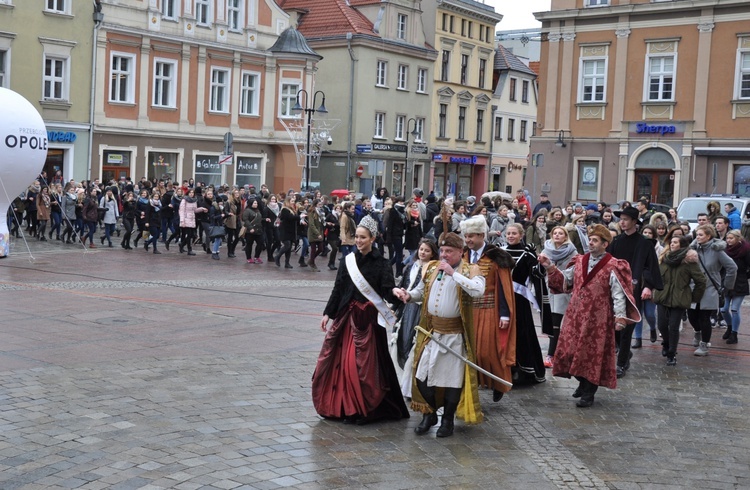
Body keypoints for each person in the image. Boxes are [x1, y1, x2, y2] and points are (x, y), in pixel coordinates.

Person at [312, 215, 409, 425]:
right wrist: (327, 313)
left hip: (367, 320)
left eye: (363, 237)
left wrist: (395, 292)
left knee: (362, 366)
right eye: (356, 237)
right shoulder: (348, 261)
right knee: (340, 363)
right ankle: (345, 407)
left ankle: (364, 409)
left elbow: (386, 289)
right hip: (347, 318)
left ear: (373, 239)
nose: (358, 241)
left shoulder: (381, 263)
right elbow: (338, 288)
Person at [539, 224, 641, 408]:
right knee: (570, 351)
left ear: (605, 244)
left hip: (598, 318)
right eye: (590, 239)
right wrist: (550, 267)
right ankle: (582, 382)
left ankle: (589, 392)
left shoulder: (613, 265)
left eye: (595, 241)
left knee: (591, 355)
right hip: (575, 315)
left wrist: (620, 317)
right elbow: (565, 281)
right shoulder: (579, 261)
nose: (591, 243)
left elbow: (618, 293)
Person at [397, 230, 486, 438]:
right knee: (421, 377)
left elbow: (478, 291)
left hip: (454, 335)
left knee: (451, 381)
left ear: (460, 252)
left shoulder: (469, 269)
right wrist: (408, 296)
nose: (444, 255)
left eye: (449, 251)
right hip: (431, 332)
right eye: (443, 250)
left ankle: (447, 419)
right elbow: (421, 291)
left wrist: (453, 274)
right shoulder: (431, 268)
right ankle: (430, 414)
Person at [460, 216, 516, 402]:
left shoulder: (496, 256)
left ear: (482, 235)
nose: (468, 240)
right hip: (468, 311)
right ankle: (472, 385)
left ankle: (498, 383)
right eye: (466, 236)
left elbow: (504, 287)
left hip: (489, 309)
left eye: (471, 236)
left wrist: (505, 314)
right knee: (470, 351)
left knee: (489, 351)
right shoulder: (463, 256)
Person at [608, 207, 663, 378]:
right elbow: (608, 263)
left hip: (634, 289)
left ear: (634, 222)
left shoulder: (644, 243)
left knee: (627, 327)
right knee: (615, 327)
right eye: (621, 219)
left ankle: (622, 363)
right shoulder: (616, 241)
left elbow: (651, 267)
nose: (622, 222)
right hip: (615, 289)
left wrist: (648, 285)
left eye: (625, 219)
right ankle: (624, 354)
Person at [394, 238, 439, 397]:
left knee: (416, 346)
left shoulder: (433, 270)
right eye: (421, 249)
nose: (423, 253)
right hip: (408, 308)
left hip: (422, 310)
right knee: (403, 343)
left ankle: (411, 387)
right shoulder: (410, 267)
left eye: (427, 250)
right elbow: (406, 286)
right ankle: (403, 382)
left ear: (433, 253)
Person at [653, 236, 706, 366]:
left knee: (674, 327)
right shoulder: (664, 258)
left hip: (679, 298)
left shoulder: (689, 262)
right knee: (662, 325)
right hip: (663, 296)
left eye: (675, 242)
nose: (672, 244)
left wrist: (694, 297)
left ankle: (672, 354)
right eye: (671, 242)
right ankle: (666, 344)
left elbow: (701, 281)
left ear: (681, 245)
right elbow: (656, 276)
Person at [689, 224, 737, 356]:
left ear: (708, 236)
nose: (697, 237)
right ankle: (697, 332)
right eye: (697, 234)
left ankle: (704, 345)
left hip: (710, 288)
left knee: (704, 317)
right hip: (693, 287)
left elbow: (732, 267)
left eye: (700, 235)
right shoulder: (692, 248)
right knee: (692, 316)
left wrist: (727, 286)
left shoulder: (717, 251)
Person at [539, 225, 578, 369]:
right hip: (547, 288)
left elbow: (573, 270)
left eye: (560, 233)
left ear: (565, 236)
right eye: (555, 233)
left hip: (562, 289)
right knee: (549, 322)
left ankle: (552, 355)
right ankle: (556, 353)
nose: (557, 235)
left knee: (556, 322)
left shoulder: (572, 251)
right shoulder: (546, 249)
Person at [721, 230, 750, 345]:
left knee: (734, 309)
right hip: (727, 281)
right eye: (727, 238)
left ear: (738, 239)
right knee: (723, 309)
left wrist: (744, 276)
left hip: (740, 282)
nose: (728, 241)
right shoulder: (724, 250)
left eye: (731, 238)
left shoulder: (746, 249)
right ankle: (729, 326)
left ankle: (734, 333)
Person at [242, 197, 264, 264]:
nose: (256, 204)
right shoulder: (247, 211)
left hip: (258, 230)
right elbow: (245, 220)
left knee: (260, 243)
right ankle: (249, 258)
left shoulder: (257, 210)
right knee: (249, 244)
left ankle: (257, 257)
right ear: (251, 203)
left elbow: (259, 219)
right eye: (254, 203)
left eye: (256, 203)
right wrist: (250, 228)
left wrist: (265, 219)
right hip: (250, 231)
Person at [178, 188, 199, 255]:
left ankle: (182, 244)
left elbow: (195, 210)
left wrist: (202, 209)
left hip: (192, 219)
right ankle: (189, 249)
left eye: (192, 193)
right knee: (189, 235)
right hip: (186, 218)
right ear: (188, 193)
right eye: (190, 192)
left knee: (192, 235)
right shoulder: (184, 200)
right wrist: (182, 221)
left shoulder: (194, 200)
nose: (191, 194)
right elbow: (181, 211)